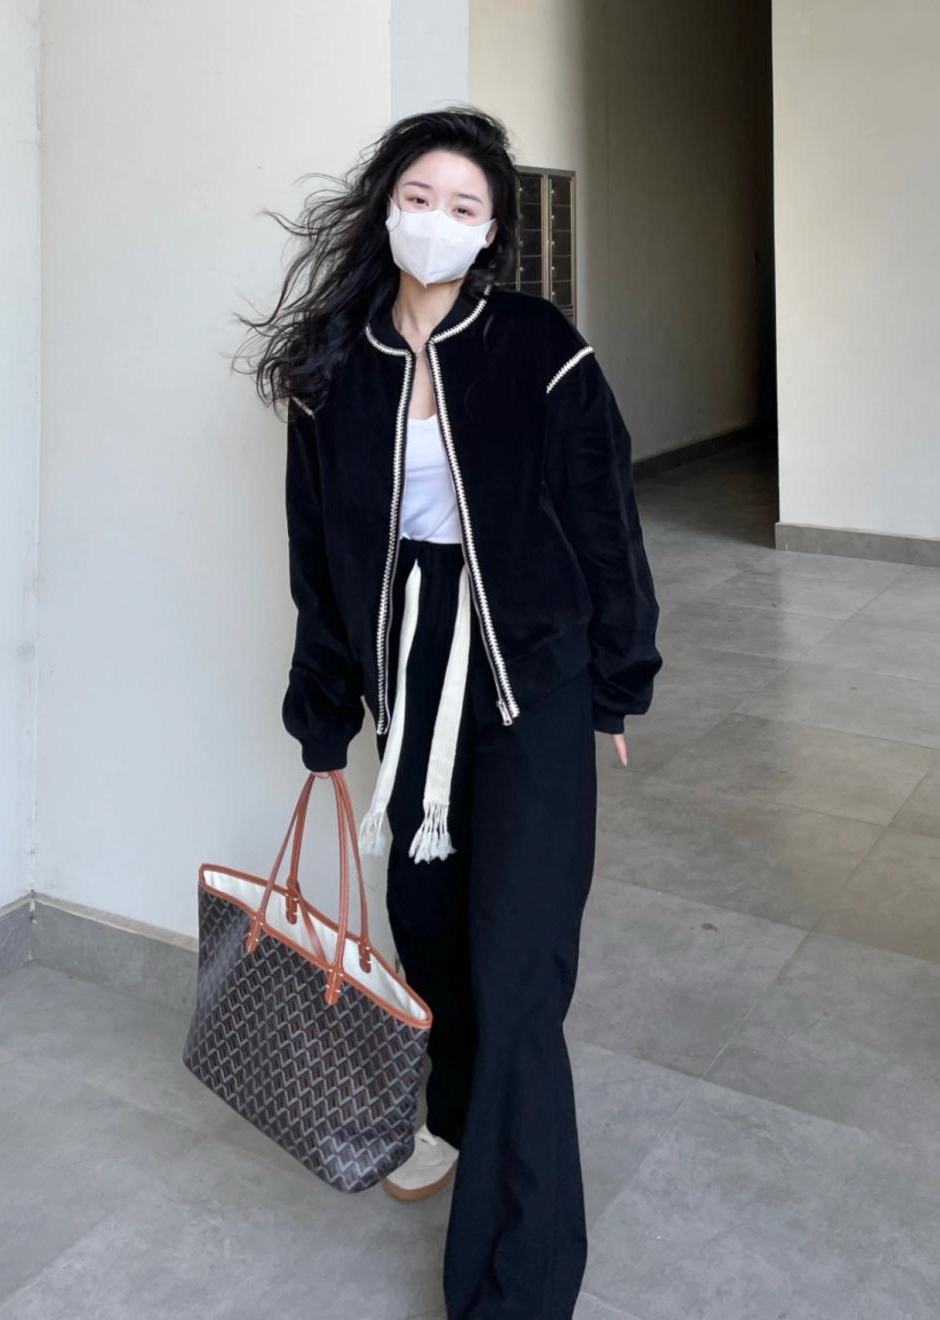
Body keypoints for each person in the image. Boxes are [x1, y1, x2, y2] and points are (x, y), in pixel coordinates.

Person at [239, 105, 662, 1320]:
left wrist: (620, 675)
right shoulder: (336, 365)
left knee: (519, 962)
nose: (438, 220)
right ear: (387, 207)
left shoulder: (537, 345)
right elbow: (317, 554)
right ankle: (456, 1114)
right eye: (420, 197)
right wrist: (324, 709)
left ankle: (516, 1283)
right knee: (431, 931)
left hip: (531, 667)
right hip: (411, 672)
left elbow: (604, 516)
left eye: (465, 207)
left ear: (490, 235)